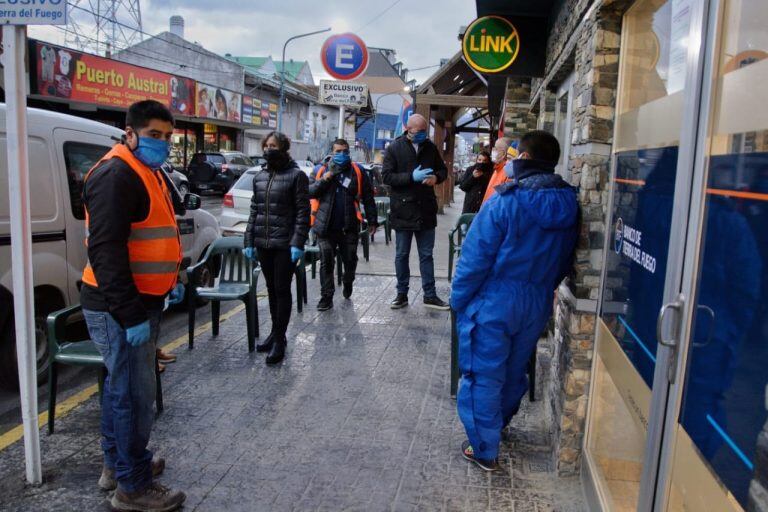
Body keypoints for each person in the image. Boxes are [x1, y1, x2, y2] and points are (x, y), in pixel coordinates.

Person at [450, 130, 579, 472]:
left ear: (523, 157)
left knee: (483, 374)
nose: (507, 160)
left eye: (512, 154)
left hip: (495, 299)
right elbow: (565, 260)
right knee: (512, 370)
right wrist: (541, 289)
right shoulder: (569, 202)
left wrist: (458, 300)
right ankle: (498, 427)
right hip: (536, 300)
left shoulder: (506, 200)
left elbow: (475, 258)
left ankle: (483, 448)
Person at [80, 100, 186, 510]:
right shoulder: (115, 174)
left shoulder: (145, 171)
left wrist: (168, 281)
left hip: (141, 300)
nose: (162, 143)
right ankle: (133, 486)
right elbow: (106, 252)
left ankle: (121, 465)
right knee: (132, 395)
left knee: (120, 388)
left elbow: (153, 234)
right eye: (154, 135)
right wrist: (129, 314)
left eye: (167, 137)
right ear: (130, 133)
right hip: (119, 307)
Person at [242, 132, 309, 364]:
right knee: (270, 289)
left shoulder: (296, 176)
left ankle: (280, 339)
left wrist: (297, 242)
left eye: (274, 146)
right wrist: (248, 241)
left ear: (284, 148)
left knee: (282, 290)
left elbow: (303, 211)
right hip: (263, 242)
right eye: (267, 146)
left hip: (285, 245)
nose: (269, 149)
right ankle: (274, 333)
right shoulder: (259, 176)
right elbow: (254, 210)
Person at [382, 113, 450, 310]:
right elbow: (386, 177)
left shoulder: (430, 147)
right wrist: (411, 177)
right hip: (403, 209)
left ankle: (430, 294)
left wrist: (436, 178)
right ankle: (401, 294)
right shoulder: (395, 147)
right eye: (418, 131)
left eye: (424, 131)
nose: (422, 134)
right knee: (402, 254)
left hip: (426, 209)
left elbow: (443, 170)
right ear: (408, 129)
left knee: (426, 254)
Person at [309, 138, 377, 310]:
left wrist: (373, 221)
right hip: (325, 227)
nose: (341, 154)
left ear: (349, 152)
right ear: (331, 153)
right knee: (326, 261)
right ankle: (326, 297)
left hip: (349, 227)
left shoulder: (357, 171)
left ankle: (348, 282)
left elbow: (368, 198)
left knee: (351, 260)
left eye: (344, 151)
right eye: (337, 151)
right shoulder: (320, 170)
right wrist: (326, 178)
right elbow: (310, 192)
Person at [481, 138, 518, 204]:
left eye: (496, 148)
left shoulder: (507, 173)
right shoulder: (497, 169)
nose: (493, 150)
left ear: (504, 154)